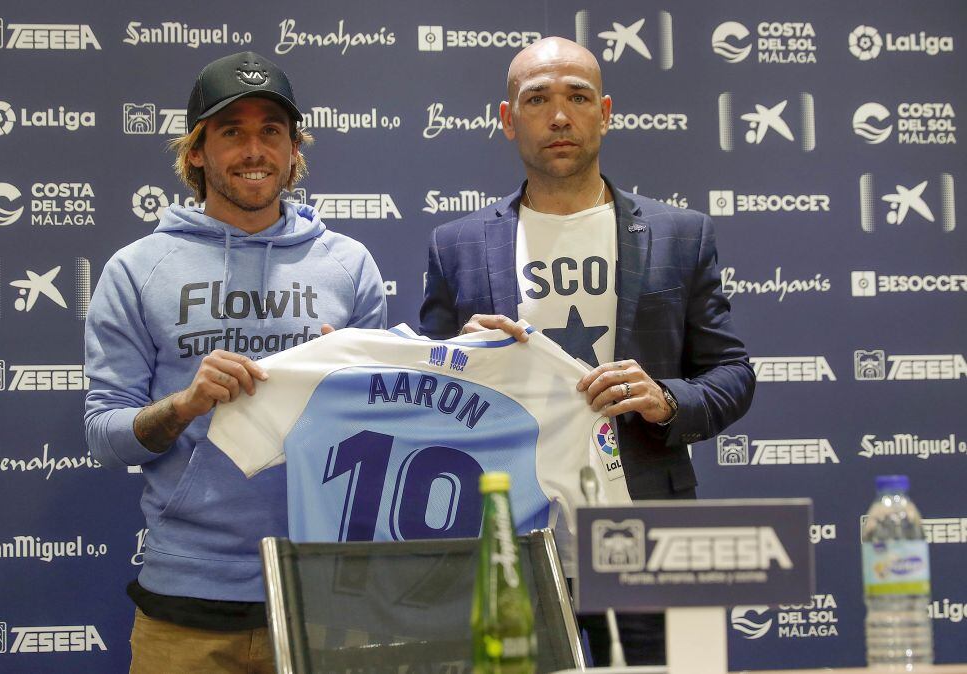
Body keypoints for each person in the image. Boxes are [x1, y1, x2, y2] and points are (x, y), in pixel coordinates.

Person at [418, 37, 755, 665]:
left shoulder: (681, 234)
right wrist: (461, 363)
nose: (560, 116)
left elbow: (733, 375)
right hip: (508, 543)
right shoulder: (455, 245)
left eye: (577, 97)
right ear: (507, 118)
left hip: (649, 537)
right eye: (537, 99)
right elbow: (425, 394)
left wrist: (665, 400)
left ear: (605, 111)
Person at [84, 51, 387, 673]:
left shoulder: (349, 265)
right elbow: (104, 438)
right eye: (232, 132)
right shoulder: (137, 270)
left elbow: (386, 430)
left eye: (271, 131)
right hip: (187, 603)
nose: (255, 150)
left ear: (294, 149)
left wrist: (350, 393)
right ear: (196, 151)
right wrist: (185, 404)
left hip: (326, 592)